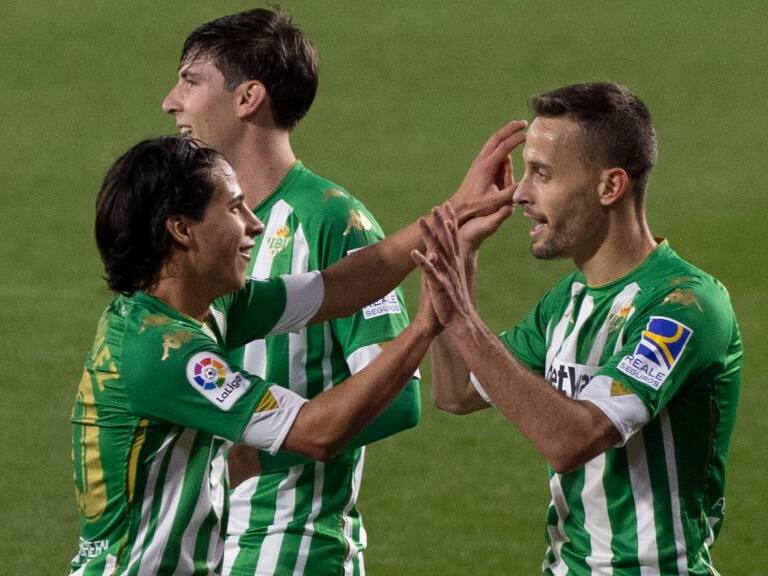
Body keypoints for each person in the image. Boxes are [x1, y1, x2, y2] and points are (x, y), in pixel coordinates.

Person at [70, 116, 525, 574]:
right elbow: (315, 433)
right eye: (234, 209)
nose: (254, 224)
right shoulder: (161, 352)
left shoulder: (206, 308)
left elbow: (338, 287)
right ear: (181, 229)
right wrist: (424, 327)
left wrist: (454, 213)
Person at [415, 83, 742, 575]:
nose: (520, 193)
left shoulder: (685, 307)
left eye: (541, 174)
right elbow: (457, 391)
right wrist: (457, 255)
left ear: (610, 187)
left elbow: (572, 439)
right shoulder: (567, 302)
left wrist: (462, 318)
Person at [161, 8, 422, 574]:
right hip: (201, 539)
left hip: (295, 544)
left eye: (190, 80)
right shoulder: (199, 227)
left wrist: (264, 443)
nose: (170, 101)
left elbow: (402, 397)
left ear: (248, 97)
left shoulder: (333, 221)